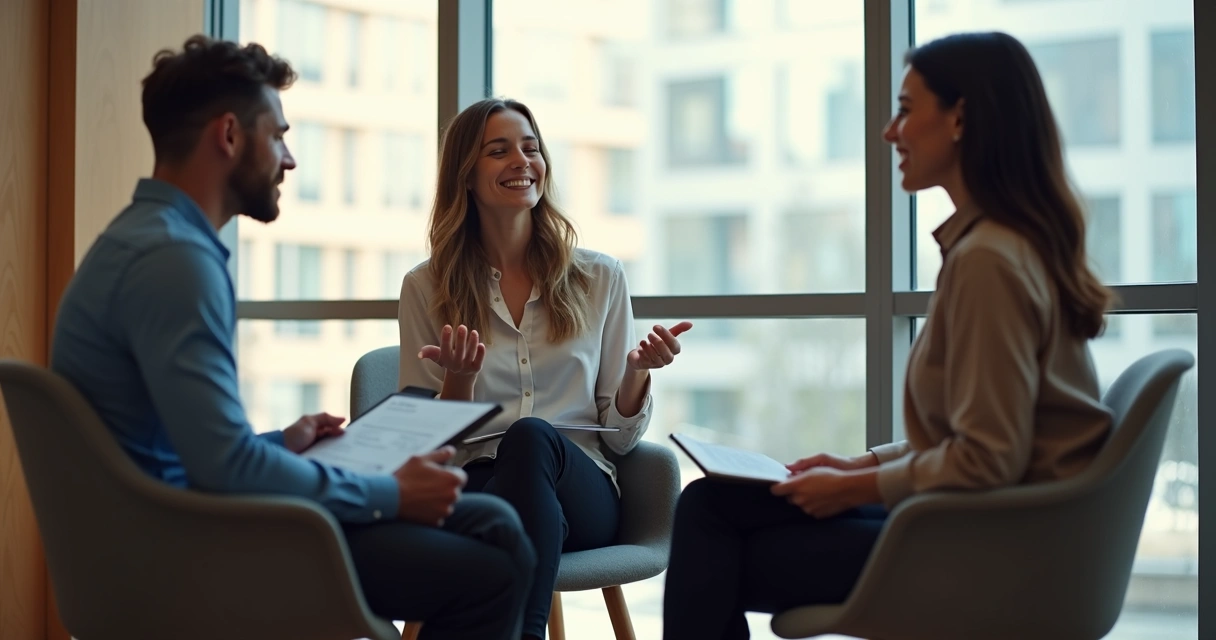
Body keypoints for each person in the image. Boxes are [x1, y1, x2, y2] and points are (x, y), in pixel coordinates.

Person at [49, 35, 535, 640]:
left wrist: (287, 440)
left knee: (491, 522)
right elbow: (224, 468)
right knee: (494, 559)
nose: (289, 159)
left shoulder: (141, 239)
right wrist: (386, 492)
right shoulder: (176, 262)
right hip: (187, 550)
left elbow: (190, 447)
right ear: (229, 136)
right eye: (277, 135)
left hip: (171, 524)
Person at [661, 31, 1116, 639]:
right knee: (713, 505)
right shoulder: (1003, 246)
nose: (889, 131)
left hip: (992, 546)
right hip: (989, 524)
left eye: (905, 109)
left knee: (715, 537)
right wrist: (861, 464)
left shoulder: (989, 262)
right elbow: (980, 432)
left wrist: (857, 487)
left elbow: (987, 456)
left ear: (960, 118)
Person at [397, 97, 692, 639]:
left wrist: (637, 373)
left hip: (582, 489)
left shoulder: (600, 278)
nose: (521, 161)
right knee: (508, 515)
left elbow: (621, 439)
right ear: (465, 174)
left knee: (530, 438)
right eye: (498, 150)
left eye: (531, 148)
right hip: (479, 483)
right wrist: (458, 381)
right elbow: (422, 450)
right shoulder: (425, 287)